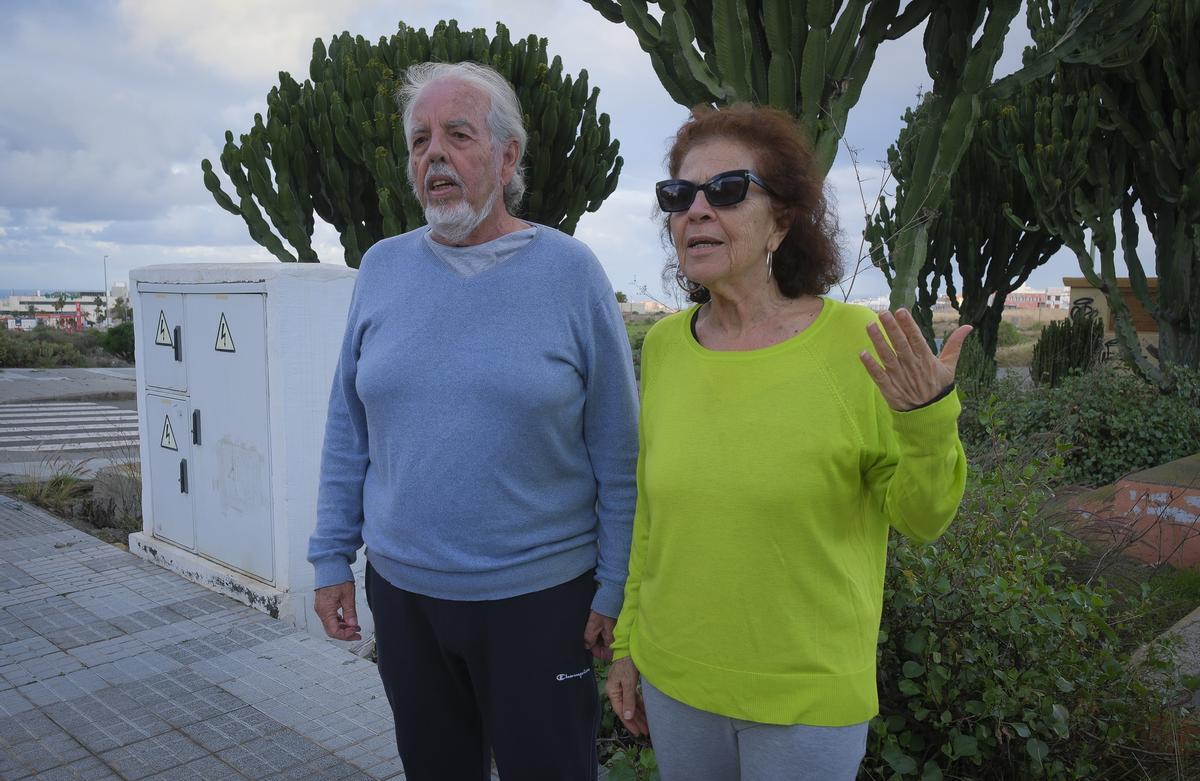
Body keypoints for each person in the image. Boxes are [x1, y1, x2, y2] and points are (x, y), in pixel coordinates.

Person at [603, 104, 971, 780]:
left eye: (727, 190)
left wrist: (926, 418)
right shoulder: (663, 347)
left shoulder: (858, 343)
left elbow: (923, 518)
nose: (697, 210)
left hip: (806, 697)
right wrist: (629, 642)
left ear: (782, 218)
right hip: (676, 678)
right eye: (679, 195)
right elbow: (653, 517)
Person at [307, 61, 639, 781]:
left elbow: (618, 450)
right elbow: (348, 427)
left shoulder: (570, 272)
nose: (434, 156)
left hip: (542, 601)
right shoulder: (383, 267)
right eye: (419, 141)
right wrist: (331, 555)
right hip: (405, 598)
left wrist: (615, 585)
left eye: (458, 136)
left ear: (507, 155)